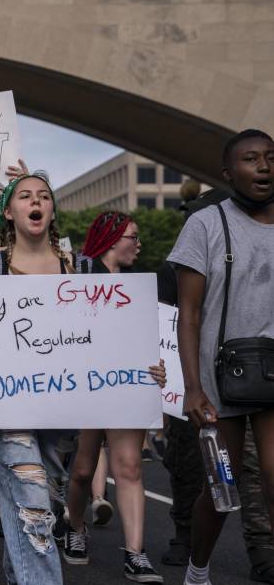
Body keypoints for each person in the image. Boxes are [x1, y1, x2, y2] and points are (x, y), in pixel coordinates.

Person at [0, 173, 159, 585]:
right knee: (31, 501)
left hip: (62, 416)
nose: (37, 202)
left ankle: (19, 575)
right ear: (9, 213)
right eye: (26, 196)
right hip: (6, 412)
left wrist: (145, 368)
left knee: (36, 509)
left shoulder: (83, 270)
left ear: (51, 210)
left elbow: (111, 336)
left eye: (44, 196)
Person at [168, 129, 274, 585]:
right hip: (218, 381)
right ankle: (198, 569)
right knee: (221, 489)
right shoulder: (206, 224)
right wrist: (192, 387)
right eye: (251, 159)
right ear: (229, 173)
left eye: (271, 157)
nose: (265, 166)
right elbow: (188, 314)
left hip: (272, 374)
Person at [62, 211, 166, 581]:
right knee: (85, 469)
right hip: (88, 385)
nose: (138, 245)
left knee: (129, 468)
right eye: (132, 237)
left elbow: (153, 341)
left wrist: (160, 367)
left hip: (127, 385)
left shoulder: (139, 288)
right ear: (111, 239)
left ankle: (136, 553)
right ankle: (75, 529)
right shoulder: (78, 275)